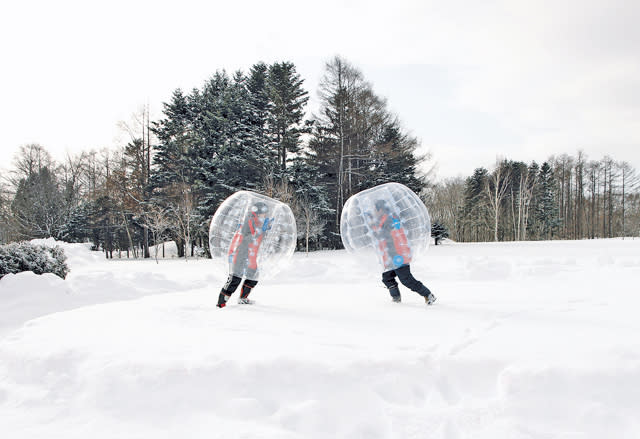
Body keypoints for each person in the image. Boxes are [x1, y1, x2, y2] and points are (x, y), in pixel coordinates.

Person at [370, 199, 436, 305]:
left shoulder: (389, 220)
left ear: (381, 209)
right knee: (387, 278)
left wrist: (374, 227)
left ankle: (428, 295)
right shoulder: (384, 219)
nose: (374, 211)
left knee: (406, 280)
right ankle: (396, 298)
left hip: (398, 256)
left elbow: (385, 235)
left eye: (375, 209)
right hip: (391, 257)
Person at [216, 201, 272, 308]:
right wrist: (261, 230)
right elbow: (247, 238)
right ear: (258, 212)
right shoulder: (249, 221)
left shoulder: (259, 222)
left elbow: (258, 239)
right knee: (235, 279)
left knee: (253, 276)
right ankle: (221, 303)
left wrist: (265, 229)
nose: (265, 216)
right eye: (264, 213)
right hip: (240, 253)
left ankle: (243, 298)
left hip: (251, 255)